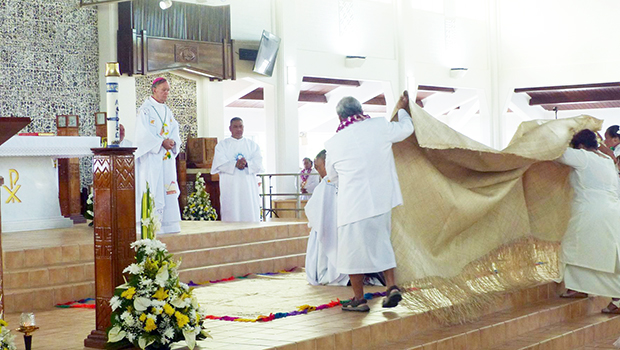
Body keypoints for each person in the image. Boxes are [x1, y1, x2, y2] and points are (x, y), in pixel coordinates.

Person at [324, 91, 414, 312]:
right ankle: (391, 286)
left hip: (352, 205)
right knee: (382, 243)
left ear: (339, 118)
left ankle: (358, 299)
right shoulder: (379, 126)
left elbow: (332, 176)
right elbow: (407, 129)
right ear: (361, 111)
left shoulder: (334, 142)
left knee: (352, 252)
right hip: (381, 200)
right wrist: (403, 110)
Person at [555, 129, 620, 314]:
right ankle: (579, 287)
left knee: (573, 248)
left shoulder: (582, 156)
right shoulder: (607, 160)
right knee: (597, 252)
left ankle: (616, 297)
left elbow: (555, 153)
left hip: (590, 211)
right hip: (612, 211)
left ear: (581, 146)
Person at [134, 77, 182, 234]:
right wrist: (161, 143)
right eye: (164, 90)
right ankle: (151, 224)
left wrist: (173, 142)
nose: (167, 93)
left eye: (168, 90)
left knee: (168, 187)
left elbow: (175, 130)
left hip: (166, 159)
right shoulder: (145, 110)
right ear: (154, 90)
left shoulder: (168, 111)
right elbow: (142, 135)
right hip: (152, 160)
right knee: (153, 189)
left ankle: (169, 224)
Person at [304, 150, 349, 286]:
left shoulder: (327, 182)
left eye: (318, 166)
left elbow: (311, 209)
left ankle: (329, 275)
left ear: (326, 164)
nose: (317, 170)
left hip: (326, 227)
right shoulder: (344, 179)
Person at [211, 117, 264, 222]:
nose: (238, 129)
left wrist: (247, 164)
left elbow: (258, 164)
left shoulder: (252, 145)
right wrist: (235, 164)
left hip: (248, 186)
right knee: (232, 209)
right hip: (231, 186)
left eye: (241, 126)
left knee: (249, 210)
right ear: (230, 128)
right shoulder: (222, 145)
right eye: (235, 127)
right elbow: (219, 163)